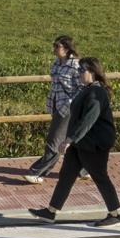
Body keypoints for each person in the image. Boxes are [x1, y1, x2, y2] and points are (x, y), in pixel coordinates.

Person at [28, 57, 120, 227]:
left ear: (92, 72)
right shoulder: (86, 89)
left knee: (100, 176)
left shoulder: (97, 93)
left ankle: (115, 214)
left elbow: (88, 120)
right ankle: (51, 211)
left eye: (82, 71)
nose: (78, 73)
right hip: (81, 143)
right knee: (66, 176)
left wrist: (70, 139)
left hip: (94, 144)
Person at [23, 36, 82, 184]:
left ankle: (38, 172)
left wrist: (68, 104)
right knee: (72, 141)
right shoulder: (57, 62)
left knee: (54, 141)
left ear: (67, 48)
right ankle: (85, 169)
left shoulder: (76, 65)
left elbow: (82, 88)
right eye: (54, 45)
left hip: (67, 109)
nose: (54, 49)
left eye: (57, 46)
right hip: (56, 105)